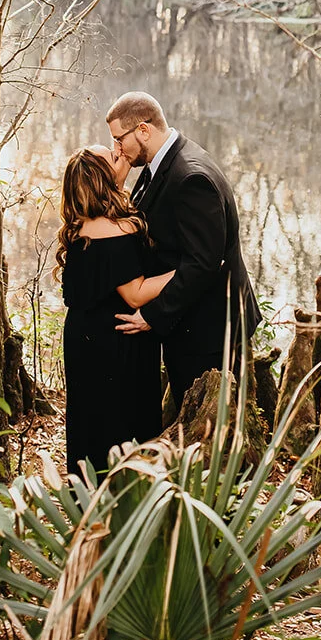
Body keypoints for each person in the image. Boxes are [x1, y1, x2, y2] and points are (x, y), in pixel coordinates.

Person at [107, 92, 261, 409]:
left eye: (119, 140)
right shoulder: (160, 165)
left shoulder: (191, 177)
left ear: (144, 130)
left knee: (210, 427)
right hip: (192, 324)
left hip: (209, 330)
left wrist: (152, 315)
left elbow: (204, 263)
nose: (117, 150)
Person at [58, 145, 175, 478]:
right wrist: (186, 271)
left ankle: (86, 494)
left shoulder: (81, 226)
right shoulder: (118, 230)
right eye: (113, 157)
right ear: (101, 179)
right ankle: (124, 498)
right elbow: (136, 294)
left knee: (89, 415)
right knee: (122, 416)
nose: (120, 154)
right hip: (116, 340)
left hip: (83, 336)